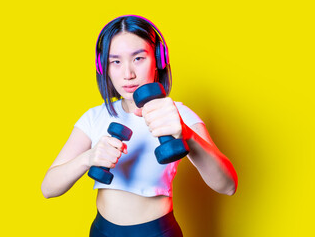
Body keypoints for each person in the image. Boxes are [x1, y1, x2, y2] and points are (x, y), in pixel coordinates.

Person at [41, 15, 238, 237]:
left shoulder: (177, 115)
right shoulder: (95, 117)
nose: (128, 74)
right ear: (103, 67)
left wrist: (188, 135)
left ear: (158, 60)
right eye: (115, 61)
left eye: (138, 58)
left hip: (157, 232)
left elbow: (228, 186)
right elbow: (48, 189)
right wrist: (88, 158)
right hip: (102, 231)